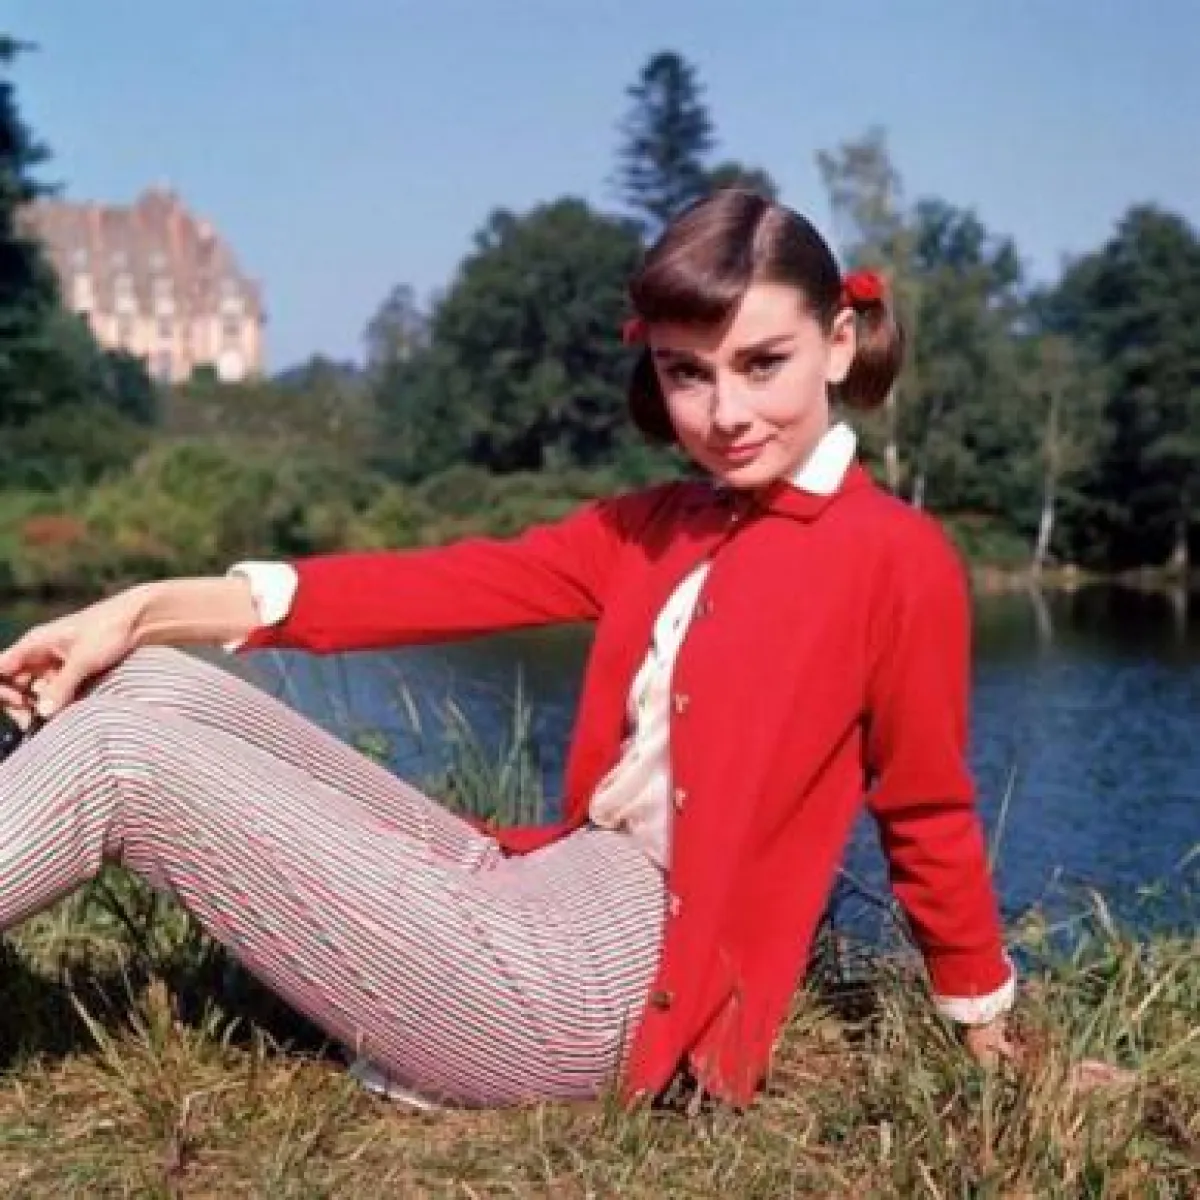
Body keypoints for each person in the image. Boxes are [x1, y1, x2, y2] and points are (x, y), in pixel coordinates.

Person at [0, 190, 1016, 1110]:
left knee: (122, 759)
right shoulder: (655, 526)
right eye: (687, 373)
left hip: (598, 1000)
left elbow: (927, 810)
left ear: (837, 343)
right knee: (148, 683)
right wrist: (139, 608)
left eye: (762, 364)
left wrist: (984, 1029)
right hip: (531, 893)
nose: (726, 413)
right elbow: (432, 585)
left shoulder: (897, 558)